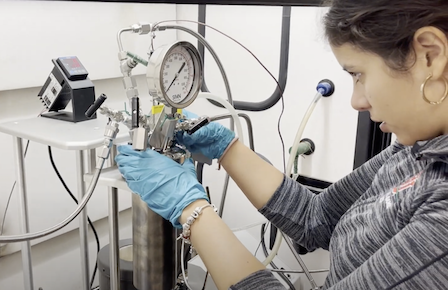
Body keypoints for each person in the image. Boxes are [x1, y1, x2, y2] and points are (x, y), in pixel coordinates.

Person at [115, 0, 448, 289]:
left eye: (358, 74)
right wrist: (226, 148)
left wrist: (191, 210)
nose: (356, 101)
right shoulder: (416, 148)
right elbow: (315, 218)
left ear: (430, 56)